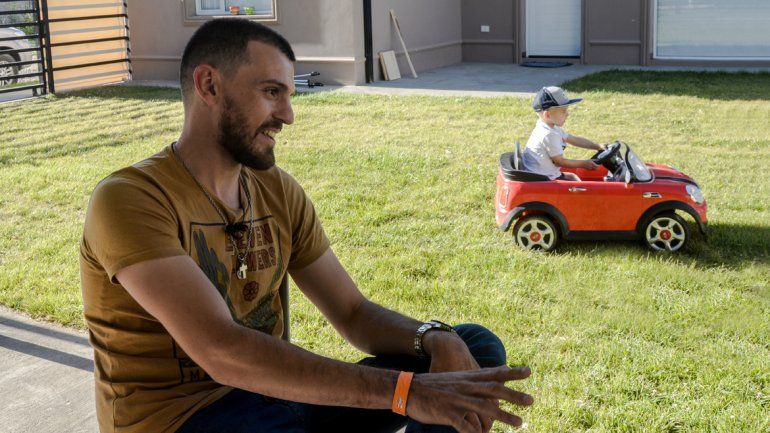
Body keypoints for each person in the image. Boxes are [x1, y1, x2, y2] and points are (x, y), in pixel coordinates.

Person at [79, 19, 533, 433]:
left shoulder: (276, 190)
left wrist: (434, 337)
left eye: (289, 95)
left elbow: (352, 313)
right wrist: (406, 393)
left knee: (471, 350)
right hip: (186, 420)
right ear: (209, 85)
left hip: (280, 397)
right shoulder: (131, 198)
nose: (288, 115)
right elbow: (220, 349)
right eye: (271, 92)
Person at [522, 86, 605, 181]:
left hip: (545, 174)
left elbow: (573, 139)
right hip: (542, 180)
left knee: (574, 178)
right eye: (563, 111)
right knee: (580, 186)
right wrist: (584, 164)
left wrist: (597, 146)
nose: (567, 114)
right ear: (548, 115)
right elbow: (560, 162)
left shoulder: (550, 126)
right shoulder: (548, 134)